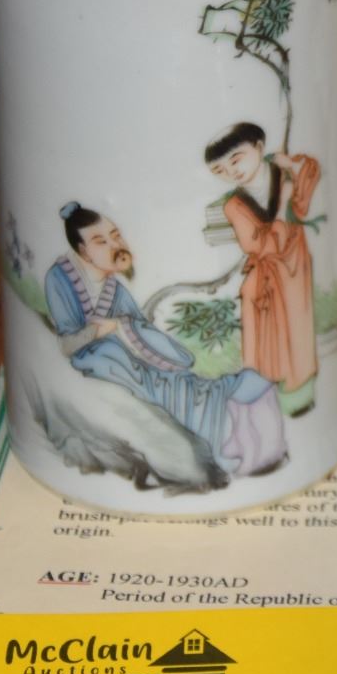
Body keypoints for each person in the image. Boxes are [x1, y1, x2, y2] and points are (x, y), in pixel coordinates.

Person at [44, 203, 286, 477]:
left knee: (199, 386)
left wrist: (123, 327)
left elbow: (142, 330)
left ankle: (244, 439)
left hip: (144, 367)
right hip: (110, 365)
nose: (115, 245)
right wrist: (101, 331)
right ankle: (230, 442)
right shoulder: (60, 279)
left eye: (116, 235)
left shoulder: (115, 290)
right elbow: (67, 345)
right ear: (83, 251)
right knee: (127, 365)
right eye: (101, 242)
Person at [204, 123, 320, 416]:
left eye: (236, 160)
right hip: (266, 277)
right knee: (267, 341)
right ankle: (266, 405)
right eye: (220, 170)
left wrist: (290, 165)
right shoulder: (235, 205)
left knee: (298, 334)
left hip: (294, 267)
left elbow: (309, 180)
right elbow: (259, 245)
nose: (232, 172)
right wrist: (282, 205)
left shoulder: (284, 174)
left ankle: (300, 400)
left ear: (259, 147)